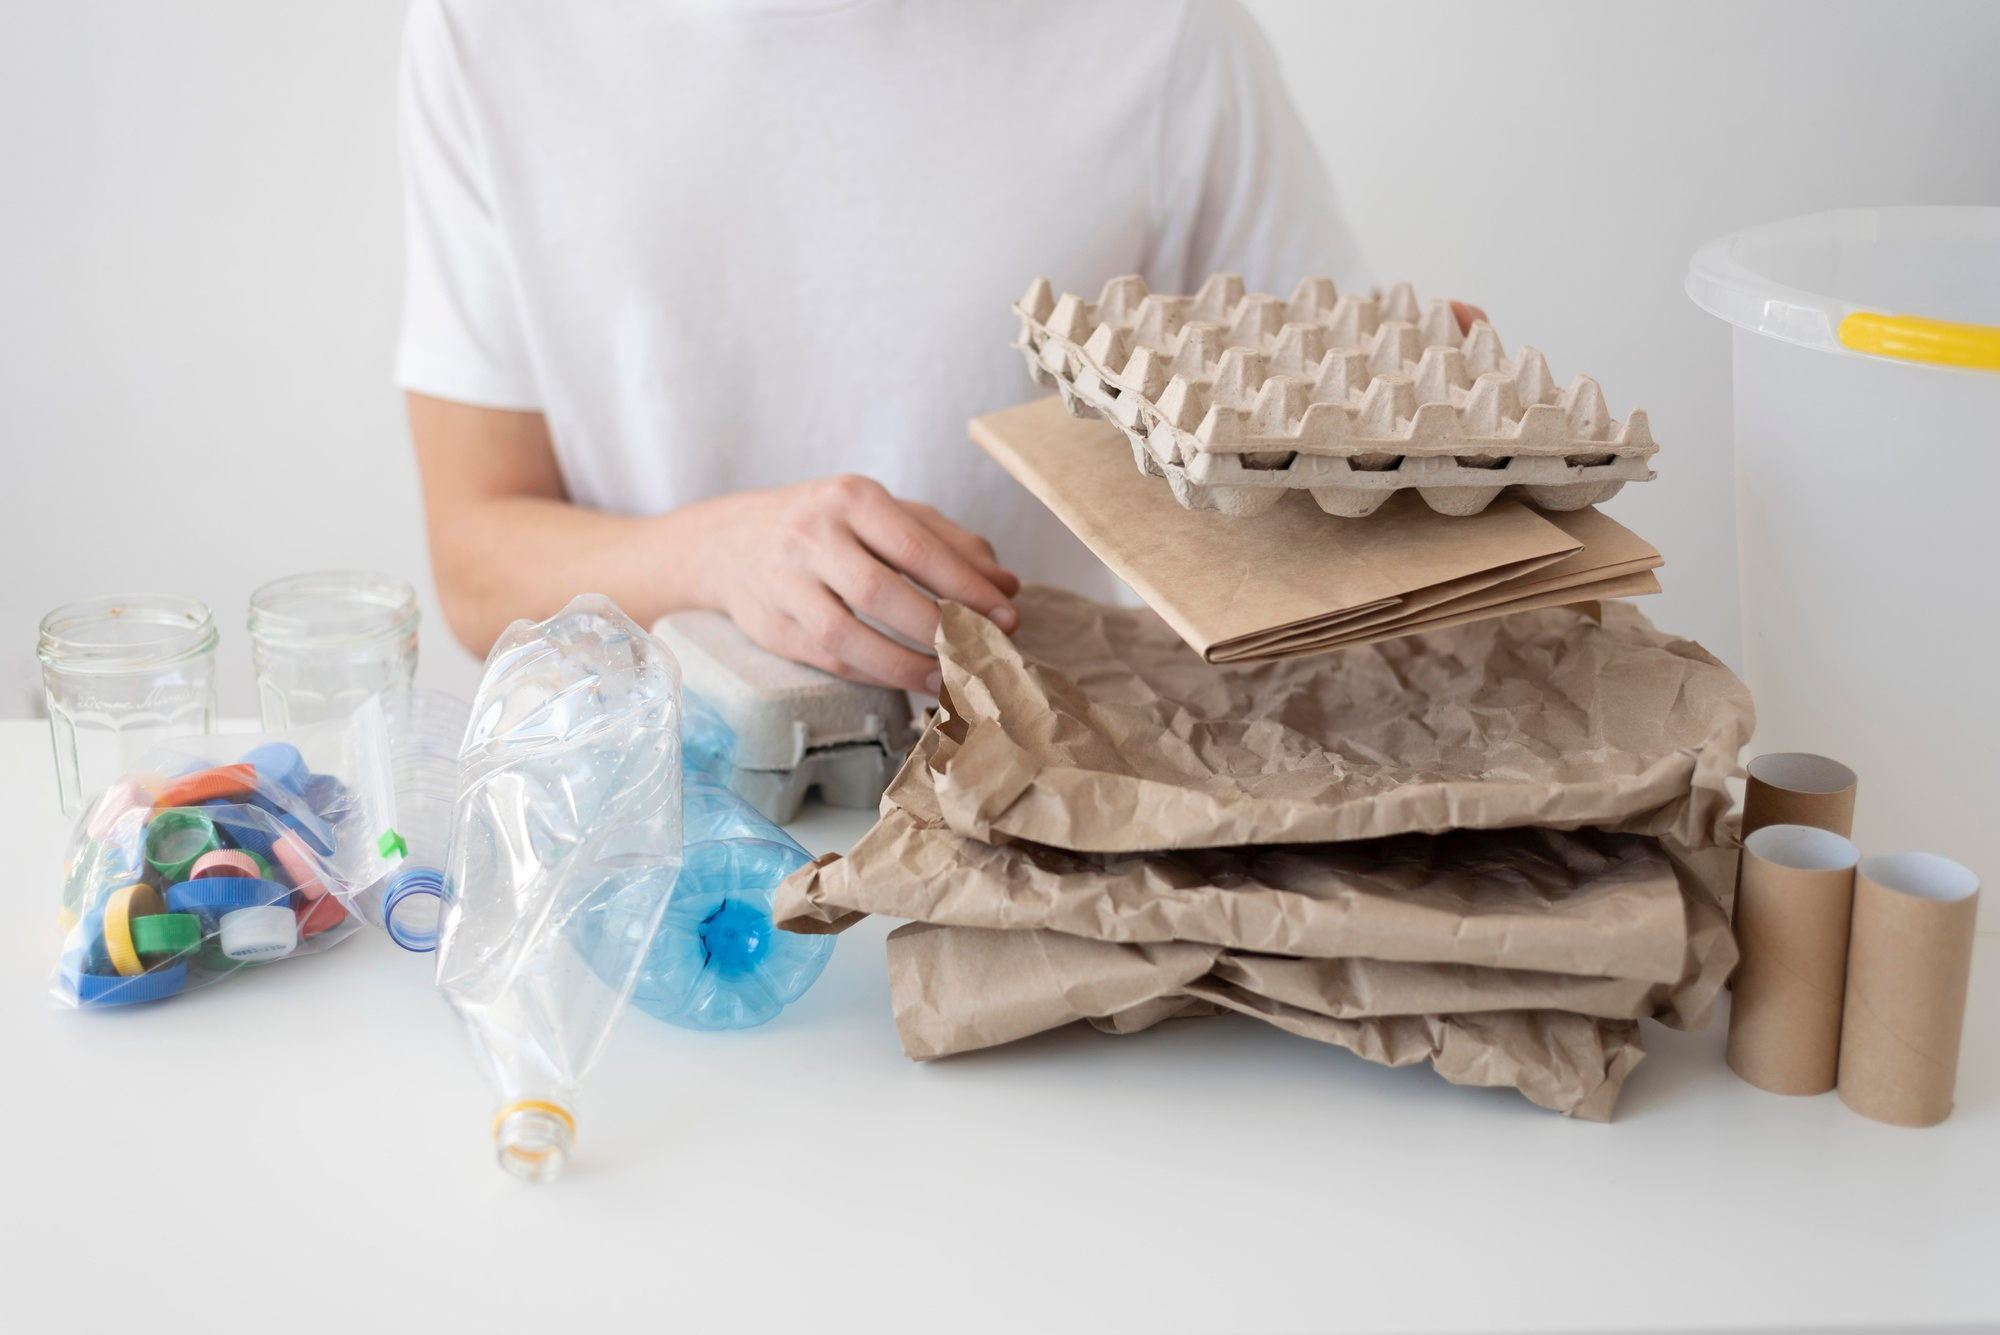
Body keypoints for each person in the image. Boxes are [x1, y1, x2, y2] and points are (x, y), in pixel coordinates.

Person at [398, 0, 1372, 694]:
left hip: (1053, 798)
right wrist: (715, 554)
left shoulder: (1163, 32)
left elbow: (1322, 483)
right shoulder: (491, 31)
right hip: (649, 830)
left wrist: (1383, 475)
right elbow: (476, 558)